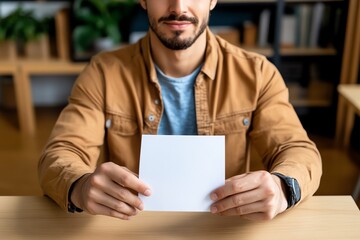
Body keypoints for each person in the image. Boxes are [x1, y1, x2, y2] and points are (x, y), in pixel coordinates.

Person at [38, 0, 322, 221]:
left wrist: (283, 188)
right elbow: (61, 153)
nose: (178, 7)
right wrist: (81, 186)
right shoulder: (103, 73)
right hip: (132, 229)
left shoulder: (258, 74)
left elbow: (297, 150)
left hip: (224, 228)